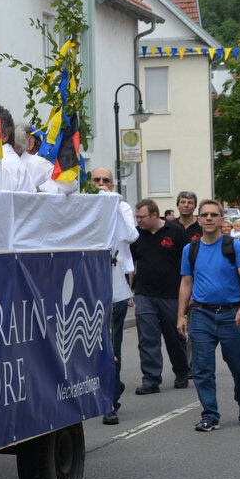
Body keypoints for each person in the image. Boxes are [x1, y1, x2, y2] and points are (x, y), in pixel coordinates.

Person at [177, 199, 240, 431]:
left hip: (233, 314)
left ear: (222, 220)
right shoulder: (190, 249)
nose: (209, 218)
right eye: (205, 215)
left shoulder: (234, 246)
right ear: (199, 219)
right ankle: (210, 414)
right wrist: (181, 315)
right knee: (201, 368)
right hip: (201, 314)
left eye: (214, 215)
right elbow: (185, 283)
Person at [90, 168, 139, 424]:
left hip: (114, 287)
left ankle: (109, 402)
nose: (100, 185)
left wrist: (113, 206)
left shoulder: (122, 207)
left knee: (111, 345)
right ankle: (111, 384)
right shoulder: (83, 205)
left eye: (105, 181)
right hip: (87, 288)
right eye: (96, 180)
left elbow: (131, 236)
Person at [130, 198, 192, 394]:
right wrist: (129, 290)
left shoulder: (176, 231)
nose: (138, 220)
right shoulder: (136, 235)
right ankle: (151, 379)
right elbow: (130, 263)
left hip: (172, 295)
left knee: (174, 337)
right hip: (144, 294)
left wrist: (191, 291)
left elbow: (189, 263)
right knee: (147, 338)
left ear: (155, 215)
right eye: (137, 217)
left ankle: (182, 371)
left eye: (142, 217)